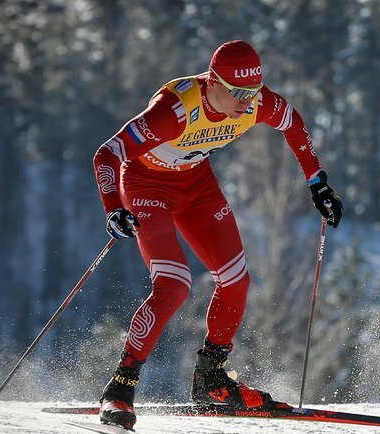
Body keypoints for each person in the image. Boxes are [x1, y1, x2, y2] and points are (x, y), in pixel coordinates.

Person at [91, 40, 343, 429]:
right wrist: (113, 208)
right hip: (146, 185)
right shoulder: (173, 112)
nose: (248, 102)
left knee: (237, 281)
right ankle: (120, 388)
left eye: (255, 92)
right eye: (239, 92)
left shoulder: (256, 102)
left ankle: (210, 378)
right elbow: (107, 153)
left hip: (197, 186)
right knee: (174, 286)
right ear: (212, 83)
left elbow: (293, 123)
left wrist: (317, 183)